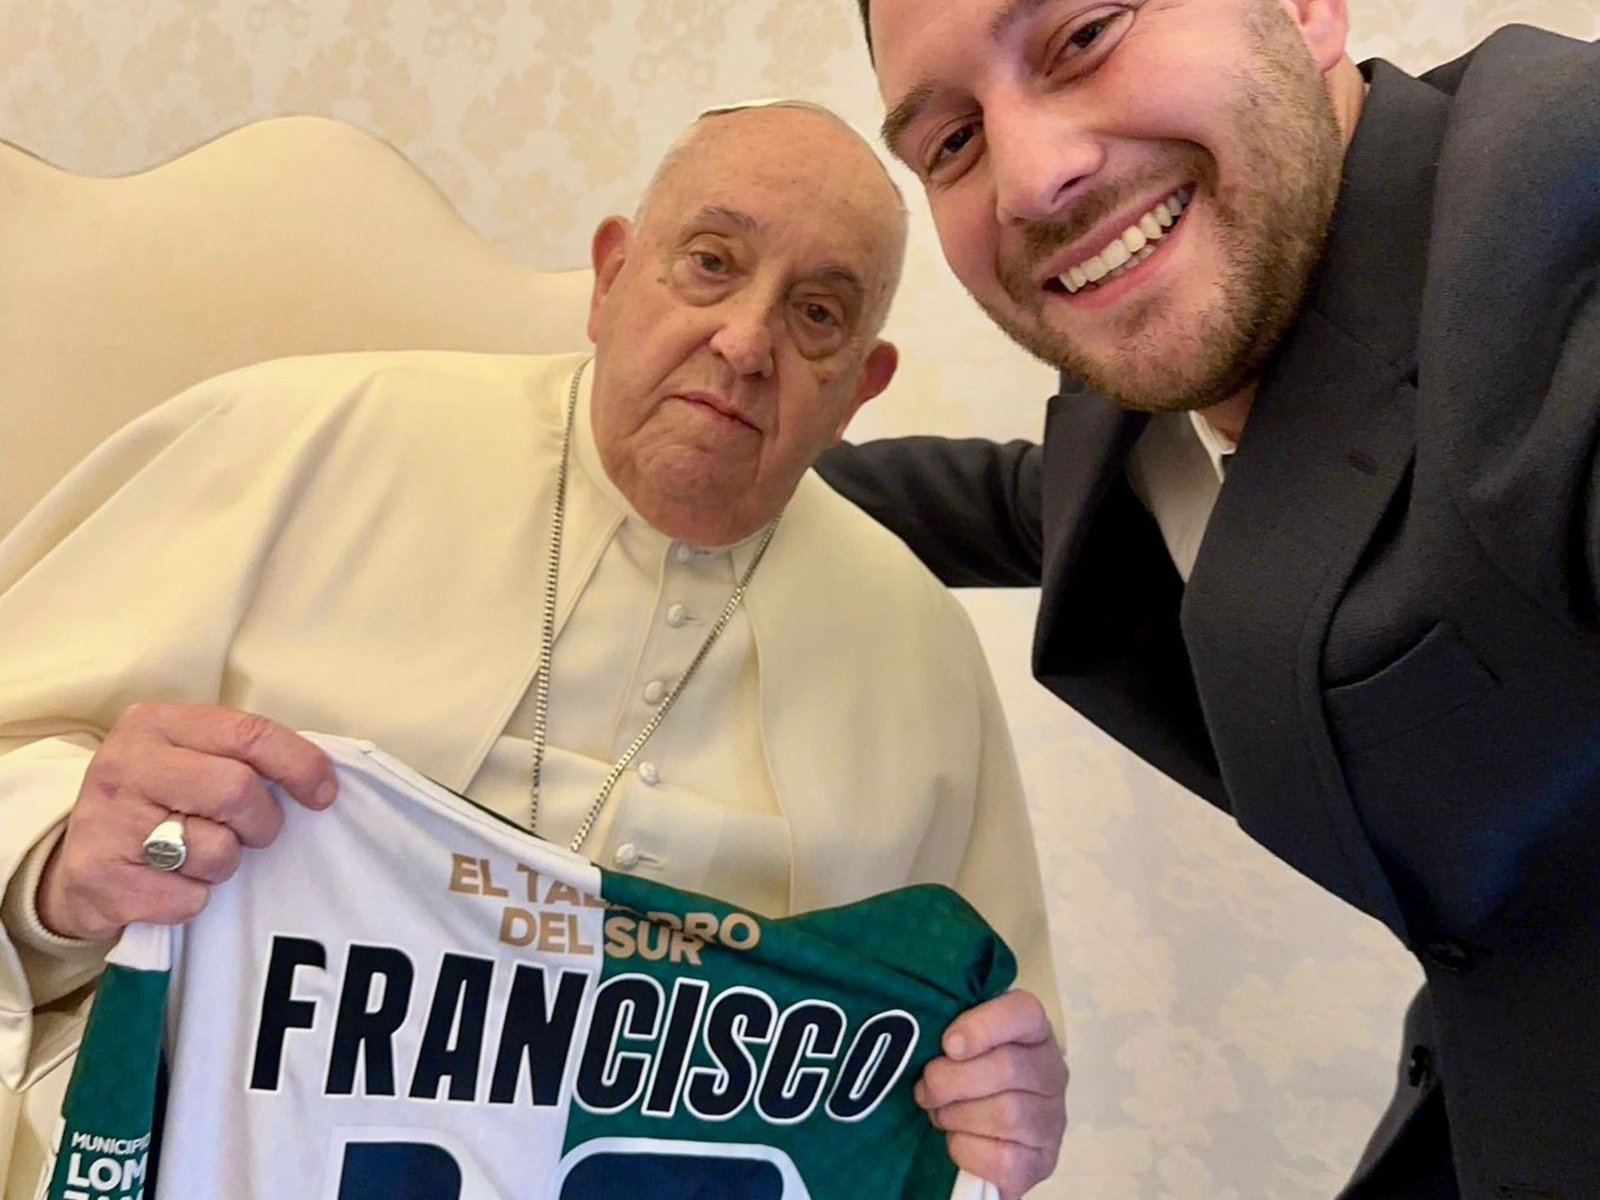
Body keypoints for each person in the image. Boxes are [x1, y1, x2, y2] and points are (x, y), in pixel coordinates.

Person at [0, 102, 1066, 1198]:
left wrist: (1003, 1104)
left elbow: (986, 1045)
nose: (746, 344)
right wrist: (57, 868)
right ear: (610, 278)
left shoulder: (916, 644)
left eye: (817, 314)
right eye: (710, 263)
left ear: (861, 390)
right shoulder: (297, 440)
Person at [815, 2, 1600, 1198]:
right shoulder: (1154, 411)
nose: (1030, 179)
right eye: (953, 142)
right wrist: (724, 464)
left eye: (1084, 35)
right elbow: (1025, 505)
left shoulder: (1551, 214)